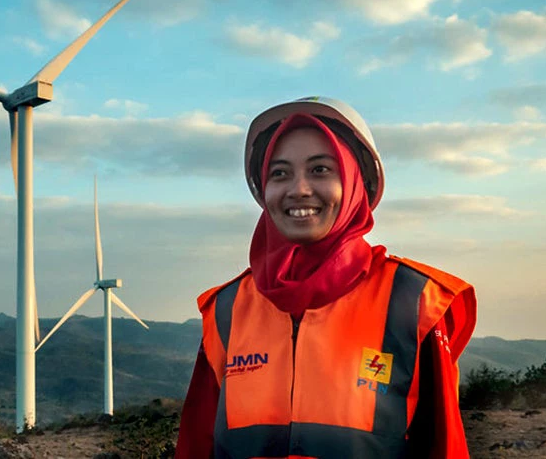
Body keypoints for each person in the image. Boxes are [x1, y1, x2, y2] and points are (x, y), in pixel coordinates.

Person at [174, 96, 477, 458]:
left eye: (320, 170)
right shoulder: (226, 309)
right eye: (279, 172)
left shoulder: (414, 301)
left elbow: (444, 447)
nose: (298, 189)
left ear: (355, 183)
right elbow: (195, 445)